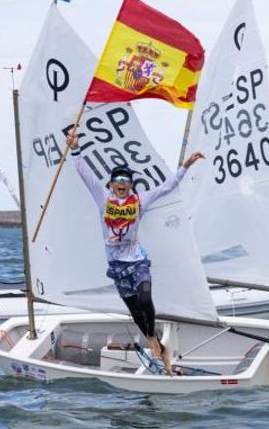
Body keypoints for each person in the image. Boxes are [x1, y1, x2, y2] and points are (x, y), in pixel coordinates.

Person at [66, 130, 204, 374]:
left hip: (137, 259)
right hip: (116, 265)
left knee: (144, 297)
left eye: (126, 180)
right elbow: (85, 174)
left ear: (131, 184)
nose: (121, 183)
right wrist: (76, 148)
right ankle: (163, 352)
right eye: (117, 180)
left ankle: (152, 338)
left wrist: (185, 166)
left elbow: (167, 187)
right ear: (111, 184)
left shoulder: (140, 200)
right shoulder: (103, 199)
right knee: (134, 311)